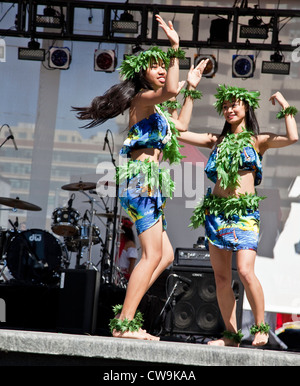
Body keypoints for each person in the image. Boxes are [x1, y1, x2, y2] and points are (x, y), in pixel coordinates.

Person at [72, 14, 208, 340]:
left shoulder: (156, 109)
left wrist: (191, 87)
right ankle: (125, 323)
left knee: (167, 255)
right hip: (141, 180)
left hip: (151, 182)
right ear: (143, 74)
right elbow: (170, 90)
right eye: (156, 66)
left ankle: (126, 312)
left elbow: (183, 128)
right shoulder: (141, 100)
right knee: (151, 254)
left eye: (166, 65)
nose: (163, 70)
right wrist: (176, 48)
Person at [177, 85, 298, 347]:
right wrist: (190, 90)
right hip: (217, 213)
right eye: (226, 105)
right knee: (221, 278)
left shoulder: (257, 140)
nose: (230, 109)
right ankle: (231, 336)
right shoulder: (216, 140)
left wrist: (284, 103)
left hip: (244, 214)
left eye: (235, 105)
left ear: (246, 108)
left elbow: (293, 137)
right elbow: (180, 132)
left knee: (245, 271)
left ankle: (261, 328)